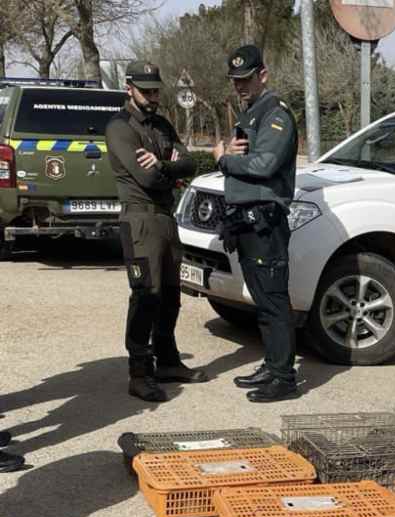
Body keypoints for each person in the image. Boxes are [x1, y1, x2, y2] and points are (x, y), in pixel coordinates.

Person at [105, 61, 207, 402]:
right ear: (129, 89)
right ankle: (139, 372)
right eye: (145, 91)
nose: (152, 97)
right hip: (140, 221)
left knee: (171, 295)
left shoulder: (162, 124)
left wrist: (164, 163)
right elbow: (144, 178)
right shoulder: (120, 128)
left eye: (155, 91)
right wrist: (170, 171)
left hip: (166, 217)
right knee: (146, 295)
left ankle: (168, 361)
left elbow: (190, 163)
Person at [213, 44, 299, 403]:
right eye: (235, 81)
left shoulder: (275, 114)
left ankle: (283, 377)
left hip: (265, 223)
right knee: (261, 300)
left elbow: (264, 164)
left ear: (263, 75)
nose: (240, 86)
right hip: (248, 222)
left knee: (274, 300)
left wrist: (224, 160)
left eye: (246, 79)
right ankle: (272, 364)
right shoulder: (251, 113)